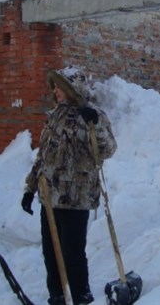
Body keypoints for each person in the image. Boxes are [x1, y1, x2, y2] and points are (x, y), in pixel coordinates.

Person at [21, 67, 117, 305]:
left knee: (73, 254)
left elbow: (108, 150)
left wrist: (96, 126)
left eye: (61, 87)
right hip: (49, 196)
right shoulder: (54, 115)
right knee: (51, 253)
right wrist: (29, 189)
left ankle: (81, 297)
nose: (56, 91)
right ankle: (57, 297)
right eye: (55, 87)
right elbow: (44, 156)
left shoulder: (92, 115)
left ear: (73, 89)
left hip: (76, 197)